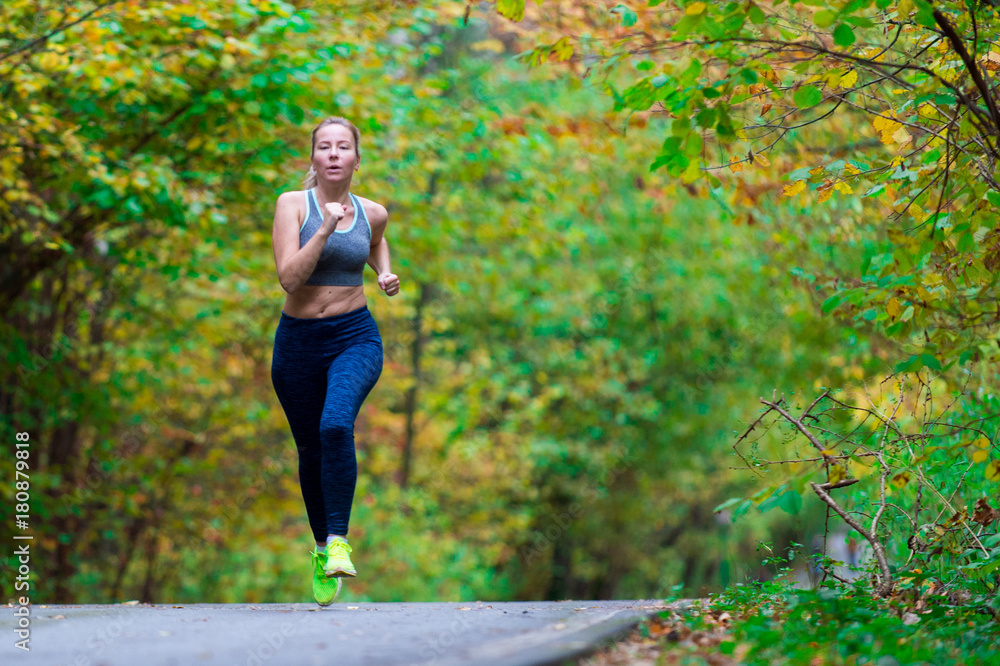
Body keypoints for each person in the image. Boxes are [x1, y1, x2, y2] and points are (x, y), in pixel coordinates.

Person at [269, 117, 400, 606]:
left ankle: (340, 540)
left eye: (343, 147)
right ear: (314, 158)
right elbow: (289, 278)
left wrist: (383, 272)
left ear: (355, 159)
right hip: (298, 343)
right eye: (324, 147)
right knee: (310, 448)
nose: (333, 154)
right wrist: (324, 227)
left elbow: (374, 240)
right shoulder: (291, 205)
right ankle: (322, 547)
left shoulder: (373, 212)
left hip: (355, 336)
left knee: (333, 426)